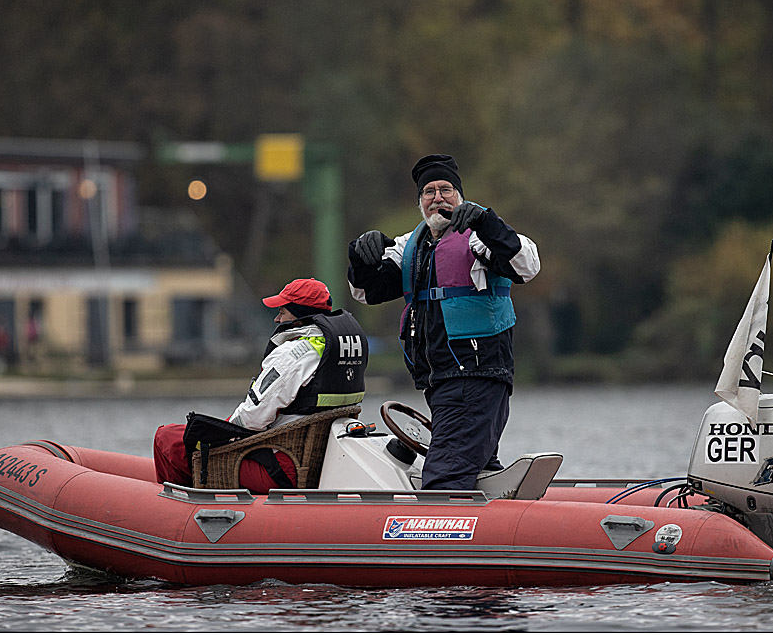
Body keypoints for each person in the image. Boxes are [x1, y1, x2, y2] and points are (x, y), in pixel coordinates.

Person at [347, 153, 540, 490]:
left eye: (446, 189)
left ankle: (442, 529)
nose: (437, 197)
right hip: (440, 381)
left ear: (459, 195)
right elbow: (366, 292)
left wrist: (487, 222)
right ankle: (494, 514)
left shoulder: (480, 236)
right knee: (474, 466)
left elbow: (527, 264)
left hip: (475, 376)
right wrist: (361, 257)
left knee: (444, 478)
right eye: (429, 192)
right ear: (420, 201)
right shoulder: (411, 245)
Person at [153, 278, 368, 493]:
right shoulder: (341, 353)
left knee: (166, 437)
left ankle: (182, 508)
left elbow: (250, 419)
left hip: (279, 470)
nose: (277, 319)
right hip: (320, 466)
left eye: (282, 312)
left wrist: (218, 431)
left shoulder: (293, 355)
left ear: (299, 317)